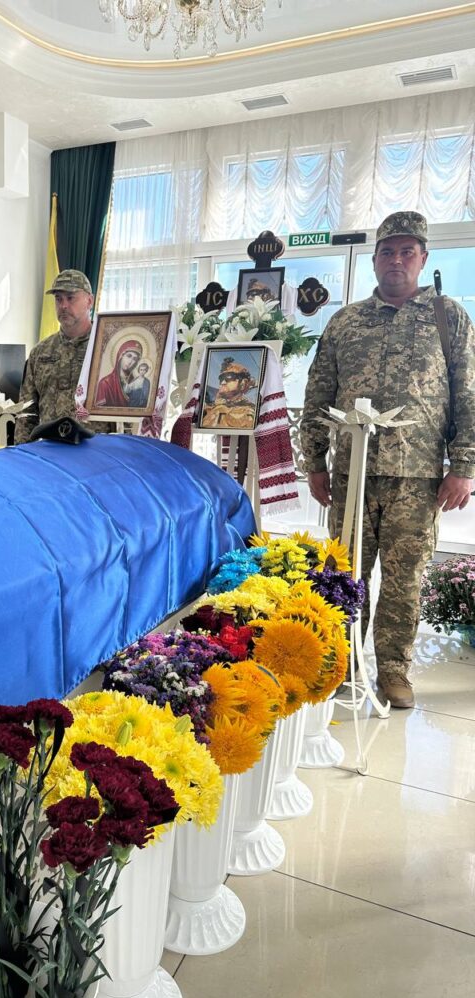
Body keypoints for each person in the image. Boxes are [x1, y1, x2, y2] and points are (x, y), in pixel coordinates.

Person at [300, 210, 475, 709]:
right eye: (387, 251)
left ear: (423, 258)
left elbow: (468, 394)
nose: (396, 260)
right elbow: (318, 394)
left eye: (407, 252)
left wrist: (464, 467)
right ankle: (342, 663)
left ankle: (394, 670)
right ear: (374, 260)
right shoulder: (346, 321)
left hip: (417, 478)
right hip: (351, 473)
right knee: (345, 574)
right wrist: (314, 462)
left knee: (403, 580)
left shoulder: (448, 317)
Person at [15, 270, 109, 444]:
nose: (63, 305)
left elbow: (124, 412)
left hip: (96, 450)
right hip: (51, 449)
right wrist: (22, 452)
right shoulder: (40, 352)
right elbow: (26, 412)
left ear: (89, 301)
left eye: (70, 298)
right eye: (58, 299)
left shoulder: (106, 349)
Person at [201, 358, 258, 430]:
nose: (223, 382)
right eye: (221, 379)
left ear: (243, 383)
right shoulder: (209, 405)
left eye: (229, 377)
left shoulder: (249, 411)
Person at [94, 339, 143, 408]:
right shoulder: (105, 383)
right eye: (129, 356)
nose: (130, 362)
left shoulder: (136, 383)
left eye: (134, 359)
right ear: (121, 356)